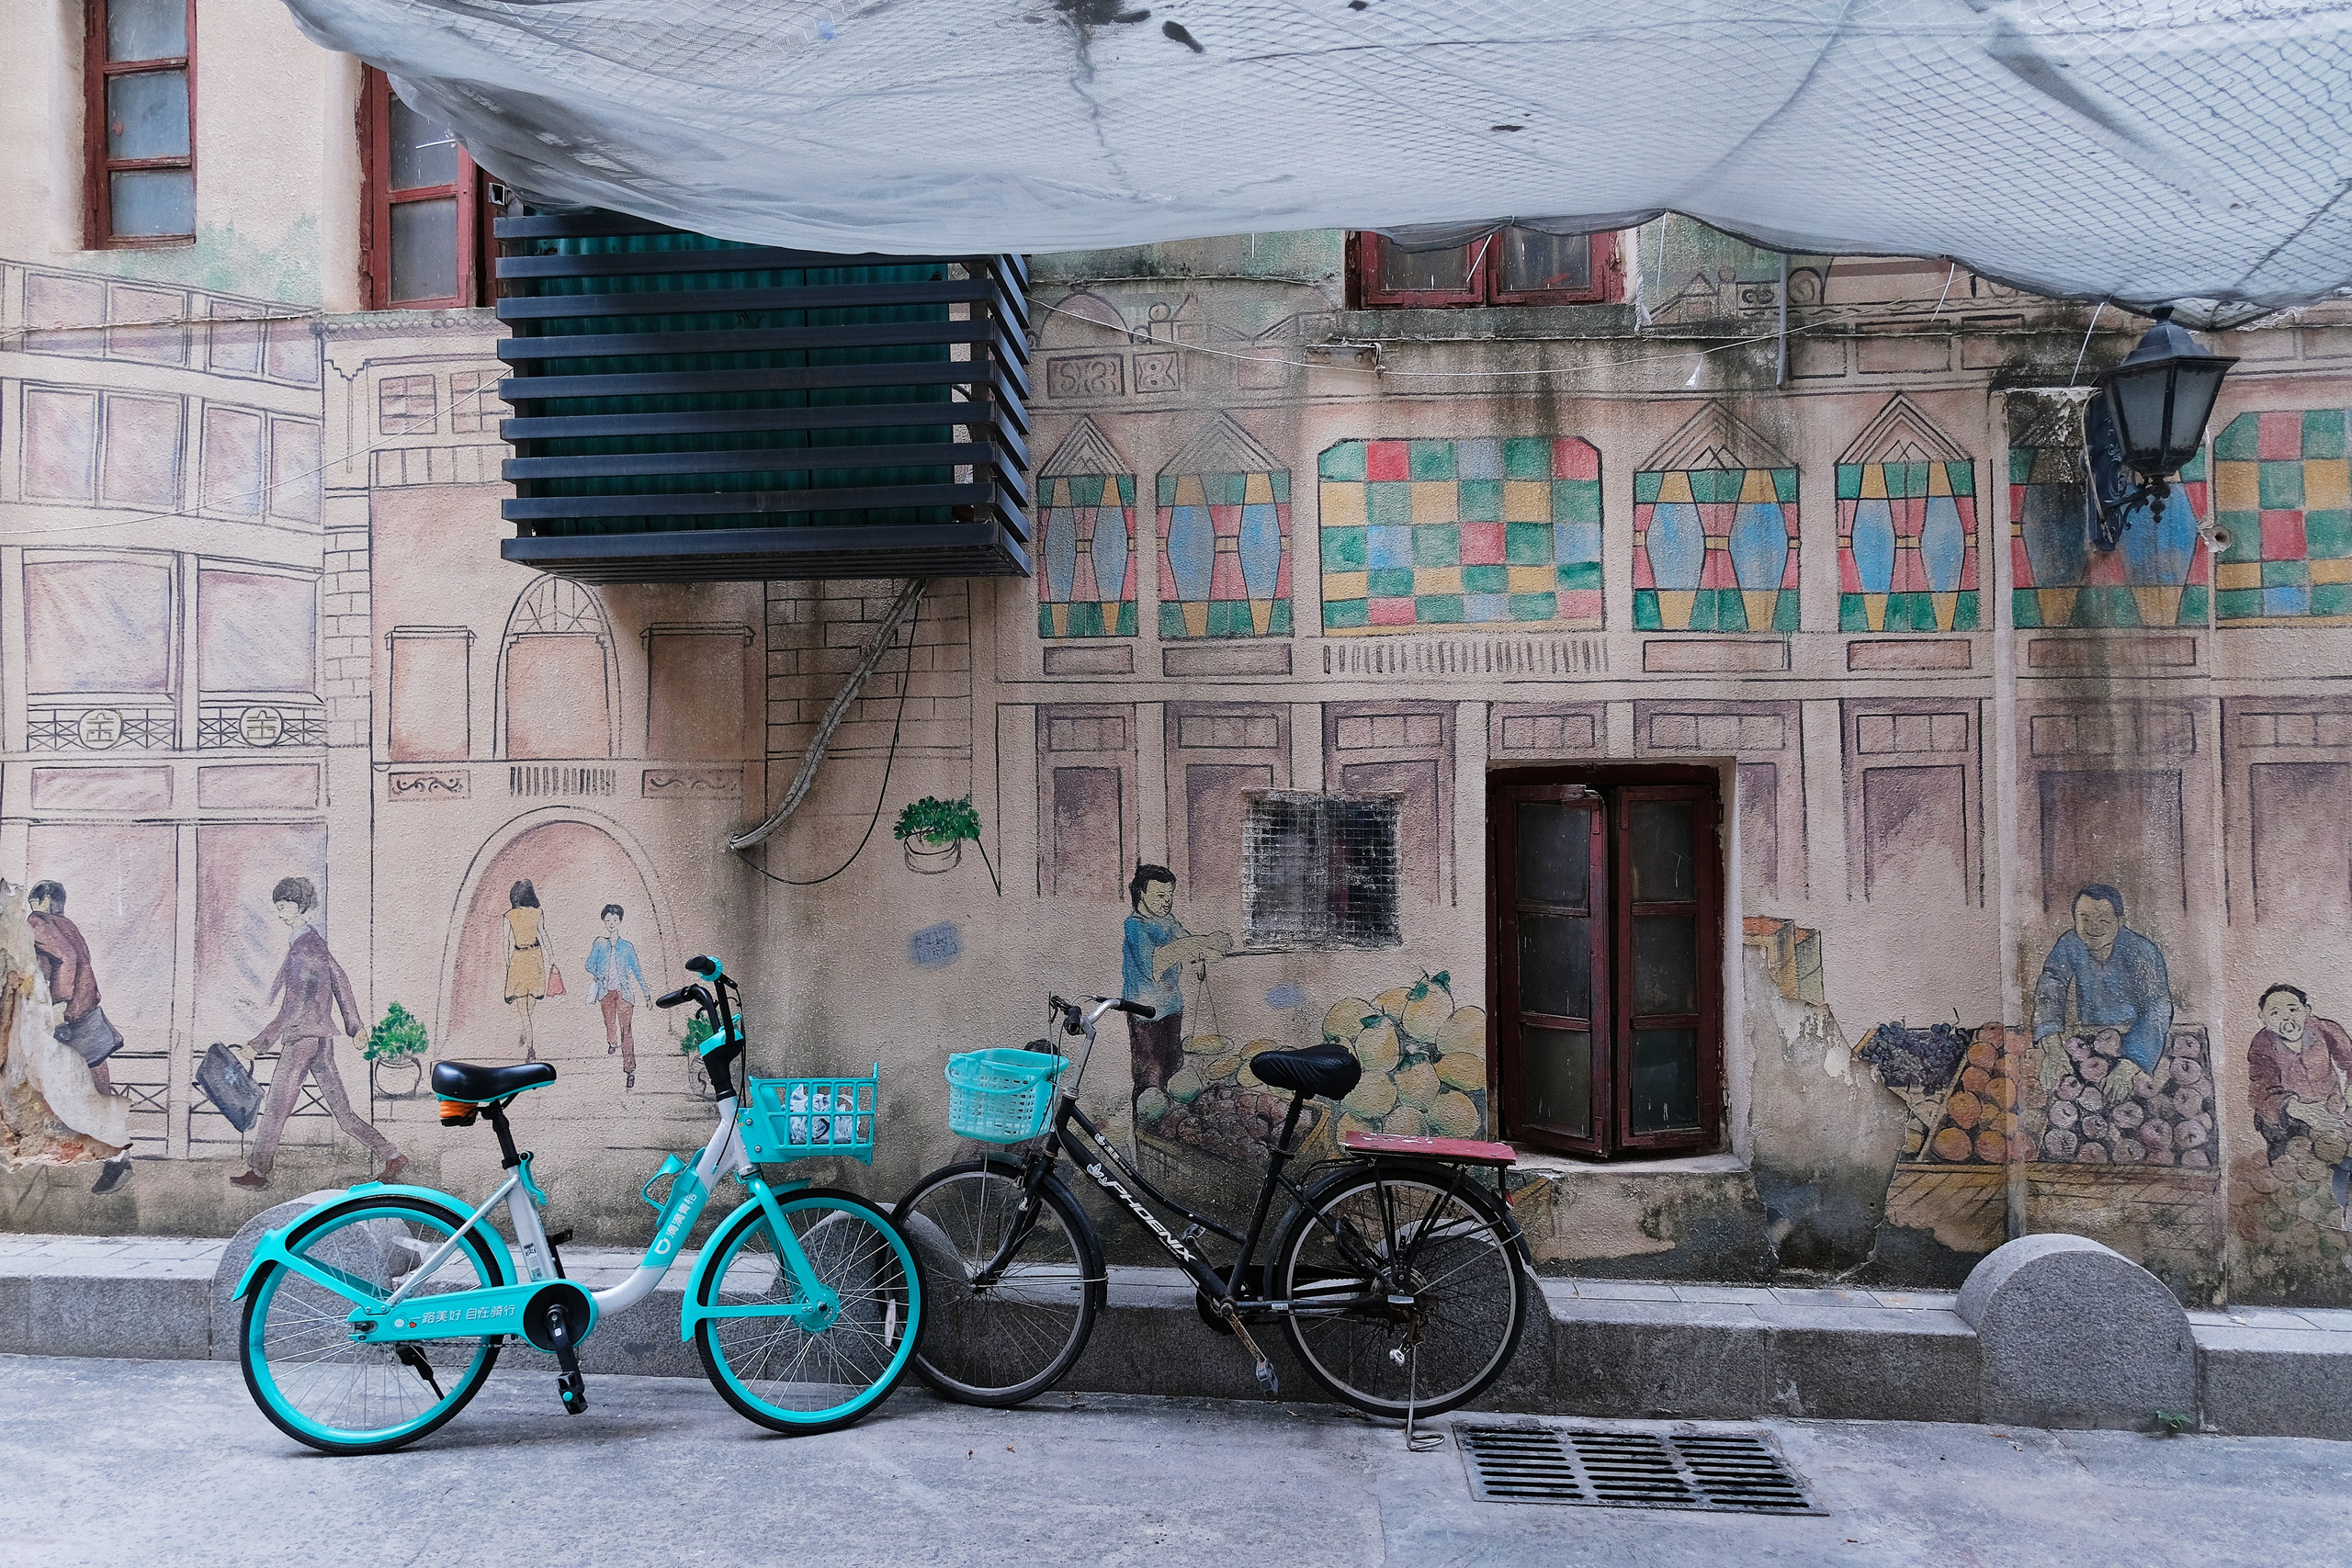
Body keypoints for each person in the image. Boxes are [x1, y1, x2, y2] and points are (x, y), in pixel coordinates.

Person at [231, 877, 403, 1190]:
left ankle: (258, 1173)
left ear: (297, 907)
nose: (280, 913)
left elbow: (294, 1006)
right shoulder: (314, 942)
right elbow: (340, 979)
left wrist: (258, 1044)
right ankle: (391, 1154)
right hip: (320, 1038)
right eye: (278, 908)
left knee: (276, 1108)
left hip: (302, 1038)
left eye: (283, 907)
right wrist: (354, 1027)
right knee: (342, 1111)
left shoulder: (303, 948)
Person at [26, 882, 133, 1194]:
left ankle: (96, 1155)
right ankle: (117, 1161)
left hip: (69, 1019)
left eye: (34, 898)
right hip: (88, 1015)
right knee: (99, 1095)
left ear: (45, 900)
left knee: (50, 1088)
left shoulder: (38, 922)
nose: (31, 904)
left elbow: (67, 959)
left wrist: (58, 1004)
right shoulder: (67, 924)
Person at [2032, 884, 2174, 1079]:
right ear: (2075, 919)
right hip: (2090, 1041)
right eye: (2085, 919)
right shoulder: (2070, 943)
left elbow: (2158, 1007)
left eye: (2104, 920)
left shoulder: (2142, 951)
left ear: (2119, 921)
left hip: (2137, 1038)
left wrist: (2131, 1062)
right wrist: (2052, 1047)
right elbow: (2050, 986)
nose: (2093, 927)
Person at [1120, 864, 1231, 1104]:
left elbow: (1187, 945)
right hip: (1145, 1015)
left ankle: (1168, 1127)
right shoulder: (1135, 926)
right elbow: (1156, 963)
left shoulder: (1169, 921)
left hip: (1172, 1008)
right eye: (1160, 896)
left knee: (1174, 1071)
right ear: (1142, 894)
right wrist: (1201, 941)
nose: (1167, 902)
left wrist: (1205, 952)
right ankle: (1145, 1128)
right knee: (1150, 1078)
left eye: (1170, 895)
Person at [2247, 983, 2352, 1224]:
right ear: (2263, 1018)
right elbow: (2261, 1091)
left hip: (2330, 1111)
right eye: (2275, 1013)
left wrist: (2347, 1095)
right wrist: (2300, 1110)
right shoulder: (2262, 1045)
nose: (2286, 1018)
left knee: (2342, 1160)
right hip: (2286, 1121)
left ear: (2306, 1010)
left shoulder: (2324, 1029)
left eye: (2293, 1009)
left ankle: (2342, 1216)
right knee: (2294, 1176)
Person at [584, 903, 651, 1089]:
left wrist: (646, 993)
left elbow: (637, 971)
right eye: (608, 920)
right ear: (604, 922)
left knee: (627, 1031)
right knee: (609, 1023)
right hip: (606, 992)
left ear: (620, 921)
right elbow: (589, 965)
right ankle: (611, 1042)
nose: (611, 923)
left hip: (624, 994)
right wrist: (600, 974)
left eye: (615, 920)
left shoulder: (627, 947)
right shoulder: (599, 943)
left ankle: (630, 1070)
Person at [503, 879, 552, 1064]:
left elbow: (506, 943)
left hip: (519, 958)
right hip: (535, 957)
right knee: (530, 1003)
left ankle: (526, 1034)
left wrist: (509, 965)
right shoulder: (537, 913)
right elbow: (543, 935)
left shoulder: (509, 916)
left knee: (523, 1008)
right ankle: (530, 1047)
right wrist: (552, 956)